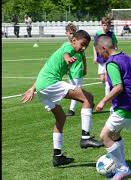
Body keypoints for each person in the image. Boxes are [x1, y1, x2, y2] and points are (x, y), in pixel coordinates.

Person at [22, 30, 103, 167]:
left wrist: (33, 88)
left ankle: (57, 156)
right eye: (82, 44)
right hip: (50, 83)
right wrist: (67, 58)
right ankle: (85, 137)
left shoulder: (76, 51)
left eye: (86, 46)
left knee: (61, 118)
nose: (83, 48)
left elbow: (45, 69)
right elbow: (66, 54)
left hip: (42, 87)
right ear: (73, 41)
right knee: (88, 98)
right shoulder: (68, 47)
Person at [95, 35, 131, 179]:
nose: (99, 55)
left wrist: (103, 101)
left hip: (125, 105)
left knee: (104, 136)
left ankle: (122, 168)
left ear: (104, 48)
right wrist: (130, 81)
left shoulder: (111, 63)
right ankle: (121, 166)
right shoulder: (127, 57)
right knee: (115, 135)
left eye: (99, 51)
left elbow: (118, 87)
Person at [62, 23, 87, 117]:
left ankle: (71, 110)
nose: (72, 35)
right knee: (76, 90)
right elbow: (64, 57)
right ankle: (87, 100)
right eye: (70, 33)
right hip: (70, 72)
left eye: (74, 33)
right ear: (66, 33)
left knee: (74, 90)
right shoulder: (65, 45)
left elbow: (83, 58)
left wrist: (85, 68)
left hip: (78, 71)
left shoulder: (79, 45)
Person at [93, 16, 118, 108]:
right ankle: (108, 90)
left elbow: (115, 44)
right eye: (104, 25)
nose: (106, 27)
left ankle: (108, 96)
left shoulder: (111, 34)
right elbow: (95, 46)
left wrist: (115, 52)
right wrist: (95, 56)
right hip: (101, 58)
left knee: (107, 79)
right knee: (102, 79)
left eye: (108, 25)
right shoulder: (98, 34)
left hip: (109, 58)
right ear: (101, 25)